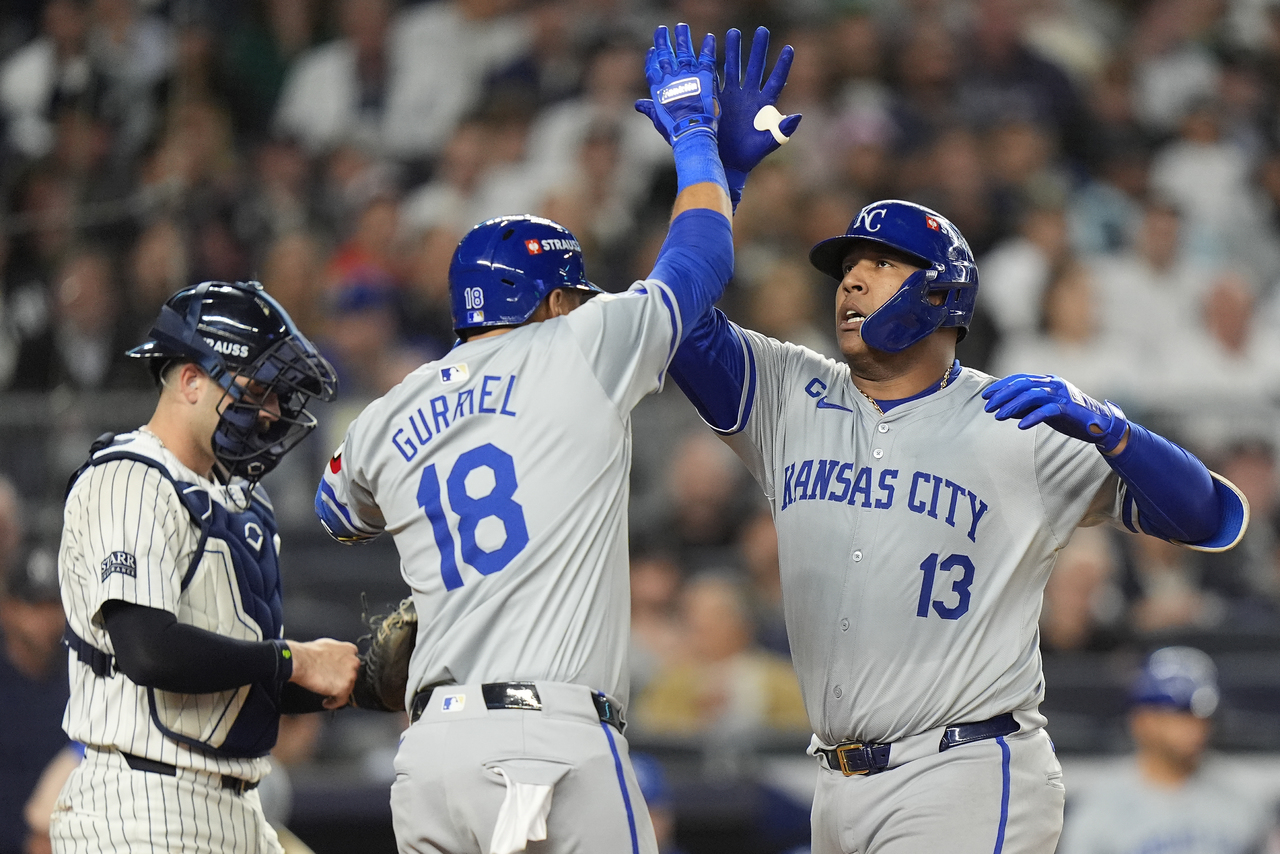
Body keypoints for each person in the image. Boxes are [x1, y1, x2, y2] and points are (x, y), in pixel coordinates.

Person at [314, 24, 797, 854]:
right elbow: (701, 261)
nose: (581, 305)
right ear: (547, 301)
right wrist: (697, 146)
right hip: (546, 746)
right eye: (571, 295)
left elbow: (336, 511)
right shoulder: (580, 343)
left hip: (430, 756)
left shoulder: (388, 412)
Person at [665, 203, 1248, 849]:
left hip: (963, 771)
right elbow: (672, 322)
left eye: (880, 264)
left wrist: (1116, 432)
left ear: (941, 293)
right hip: (834, 783)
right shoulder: (788, 391)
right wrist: (712, 174)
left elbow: (1208, 517)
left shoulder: (1019, 421)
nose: (851, 282)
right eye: (847, 268)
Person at [52, 280, 360, 854]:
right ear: (191, 379)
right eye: (258, 390)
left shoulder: (238, 498)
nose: (269, 413)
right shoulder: (129, 478)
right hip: (141, 808)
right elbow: (150, 650)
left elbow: (235, 681)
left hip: (233, 807)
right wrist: (294, 660)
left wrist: (351, 682)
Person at [1057, 646, 1274, 854]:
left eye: (1202, 716)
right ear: (1142, 720)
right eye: (1180, 714)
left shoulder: (1243, 796)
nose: (1195, 727)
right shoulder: (1099, 805)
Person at [0, 545, 69, 854]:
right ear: (8, 609)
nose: (46, 619)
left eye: (53, 605)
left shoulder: (82, 680)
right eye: (34, 606)